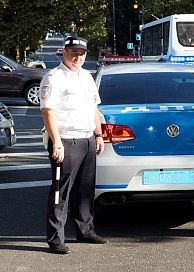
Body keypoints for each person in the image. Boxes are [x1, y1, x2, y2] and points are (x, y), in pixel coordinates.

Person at [40, 36, 107, 254]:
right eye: (73, 52)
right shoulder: (54, 77)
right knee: (61, 192)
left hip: (87, 139)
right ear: (64, 52)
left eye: (82, 53)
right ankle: (55, 238)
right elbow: (47, 111)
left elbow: (94, 108)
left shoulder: (87, 76)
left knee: (86, 190)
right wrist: (57, 142)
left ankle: (85, 230)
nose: (77, 57)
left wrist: (98, 135)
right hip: (66, 141)